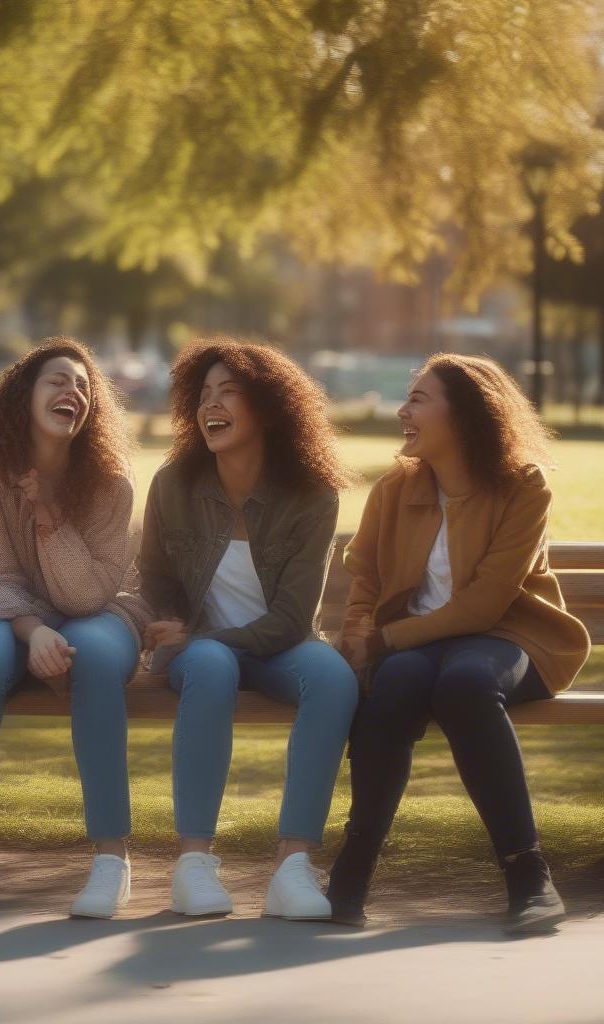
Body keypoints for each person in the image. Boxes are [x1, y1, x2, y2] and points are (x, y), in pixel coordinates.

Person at [329, 353, 591, 934]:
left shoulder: (524, 485)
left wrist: (386, 638)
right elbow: (366, 578)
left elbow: (483, 604)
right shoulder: (396, 486)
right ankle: (351, 871)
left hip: (507, 638)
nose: (403, 410)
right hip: (418, 652)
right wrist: (358, 638)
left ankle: (529, 876)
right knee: (397, 684)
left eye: (419, 399)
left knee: (466, 683)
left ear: (467, 412)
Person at [0, 337, 149, 919]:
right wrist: (30, 630)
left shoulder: (110, 486)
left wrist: (49, 518)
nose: (72, 391)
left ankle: (111, 858)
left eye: (83, 386)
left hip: (94, 613)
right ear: (24, 397)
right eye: (57, 381)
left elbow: (88, 593)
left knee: (94, 654)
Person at [137, 337, 359, 919]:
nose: (211, 404)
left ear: (268, 407)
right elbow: (155, 578)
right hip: (199, 652)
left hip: (278, 645)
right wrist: (171, 627)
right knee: (210, 666)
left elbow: (290, 620)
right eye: (203, 393)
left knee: (334, 679)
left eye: (228, 393)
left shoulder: (313, 494)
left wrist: (200, 638)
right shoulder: (173, 486)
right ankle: (193, 864)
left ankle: (293, 866)